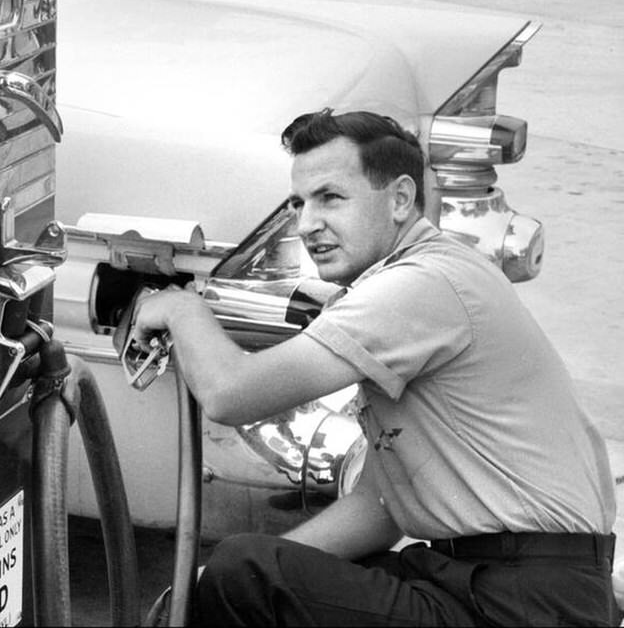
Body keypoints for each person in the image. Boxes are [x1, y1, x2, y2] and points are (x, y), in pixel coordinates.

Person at [133, 109, 619, 625]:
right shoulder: (427, 276)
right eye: (298, 203)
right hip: (501, 583)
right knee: (250, 574)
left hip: (524, 600)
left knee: (242, 569)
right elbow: (378, 509)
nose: (307, 224)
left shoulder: (421, 284)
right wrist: (215, 581)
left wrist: (181, 309)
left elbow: (230, 394)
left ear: (401, 199)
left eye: (330, 198)